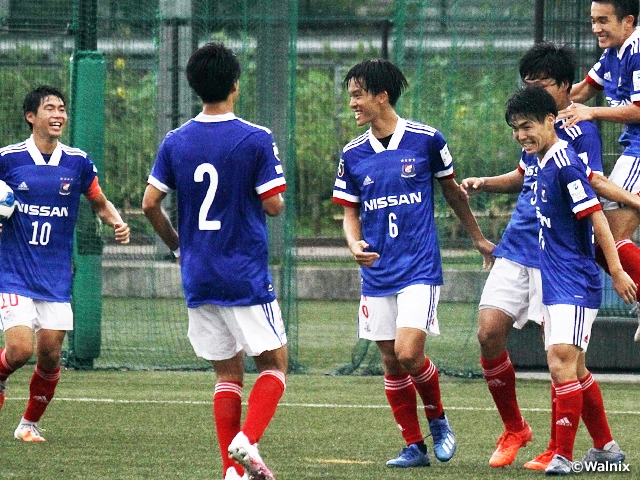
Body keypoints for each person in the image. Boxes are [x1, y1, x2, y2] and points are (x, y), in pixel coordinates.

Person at [461, 42, 640, 470]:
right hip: (519, 244)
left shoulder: (577, 132)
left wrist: (632, 205)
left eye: (541, 85)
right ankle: (516, 428)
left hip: (556, 257)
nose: (534, 91)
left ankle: (581, 447)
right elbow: (523, 178)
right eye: (528, 85)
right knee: (489, 333)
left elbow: (589, 185)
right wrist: (486, 182)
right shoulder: (533, 134)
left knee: (564, 360)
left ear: (563, 88)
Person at [332, 58, 495, 468]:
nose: (351, 104)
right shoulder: (352, 154)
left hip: (420, 268)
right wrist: (353, 244)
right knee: (390, 361)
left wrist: (478, 239)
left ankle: (438, 421)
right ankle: (413, 446)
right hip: (377, 271)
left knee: (408, 354)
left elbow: (454, 194)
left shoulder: (426, 140)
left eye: (357, 95)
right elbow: (349, 212)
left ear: (381, 96)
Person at [142, 43, 287, 480]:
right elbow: (275, 206)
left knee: (227, 373)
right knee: (275, 366)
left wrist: (179, 249)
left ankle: (232, 470)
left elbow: (150, 204)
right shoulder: (255, 137)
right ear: (235, 85)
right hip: (242, 272)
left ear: (194, 87)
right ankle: (247, 441)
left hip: (198, 273)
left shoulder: (176, 140)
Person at [505, 85, 636, 475]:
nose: (521, 135)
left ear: (550, 120)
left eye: (527, 126)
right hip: (556, 280)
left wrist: (615, 271)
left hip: (575, 281)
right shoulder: (541, 161)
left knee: (559, 362)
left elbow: (597, 217)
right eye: (515, 129)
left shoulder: (563, 162)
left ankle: (561, 456)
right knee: (575, 369)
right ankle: (606, 449)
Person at [0, 85, 131, 442]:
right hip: (13, 273)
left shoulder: (77, 161)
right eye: (49, 108)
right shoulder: (8, 159)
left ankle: (28, 424)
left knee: (49, 356)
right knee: (21, 350)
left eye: (62, 109)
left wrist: (116, 222)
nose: (58, 115)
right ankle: (1, 375)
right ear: (31, 117)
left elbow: (99, 201)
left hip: (55, 276)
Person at [559, 0, 640, 342]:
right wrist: (539, 102)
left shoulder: (637, 51)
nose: (596, 28)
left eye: (603, 20)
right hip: (633, 150)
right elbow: (578, 91)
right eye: (593, 20)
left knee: (610, 236)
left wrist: (592, 114)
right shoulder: (612, 55)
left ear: (628, 21)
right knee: (604, 239)